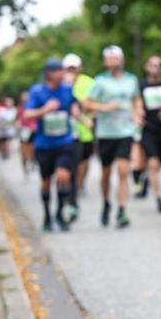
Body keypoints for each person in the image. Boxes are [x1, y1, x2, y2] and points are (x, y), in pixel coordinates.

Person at [86, 45, 142, 228]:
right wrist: (105, 107)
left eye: (115, 58)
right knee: (106, 173)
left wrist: (138, 113)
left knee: (123, 171)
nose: (112, 61)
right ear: (105, 62)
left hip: (125, 131)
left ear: (121, 60)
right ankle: (106, 203)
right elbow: (87, 105)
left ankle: (121, 210)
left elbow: (136, 99)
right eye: (108, 58)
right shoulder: (100, 81)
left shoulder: (131, 79)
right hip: (105, 132)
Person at [24, 58, 80, 232]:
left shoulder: (67, 90)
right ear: (49, 73)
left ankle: (60, 213)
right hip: (44, 143)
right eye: (58, 71)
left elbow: (74, 106)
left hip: (64, 141)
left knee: (63, 176)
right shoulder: (37, 91)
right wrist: (44, 110)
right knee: (46, 181)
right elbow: (27, 114)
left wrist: (78, 112)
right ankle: (47, 216)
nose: (62, 74)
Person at [139, 54, 161, 213]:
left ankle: (147, 177)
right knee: (153, 162)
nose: (155, 68)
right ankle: (159, 198)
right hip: (148, 129)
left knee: (159, 161)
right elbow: (136, 102)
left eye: (158, 65)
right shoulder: (141, 85)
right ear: (146, 67)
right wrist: (138, 114)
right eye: (151, 65)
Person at [63, 53, 96, 221]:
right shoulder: (60, 84)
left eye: (74, 69)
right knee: (69, 168)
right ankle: (72, 195)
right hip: (65, 135)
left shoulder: (88, 82)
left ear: (79, 68)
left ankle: (78, 186)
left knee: (83, 162)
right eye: (68, 69)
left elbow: (92, 104)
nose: (71, 72)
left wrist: (85, 109)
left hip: (84, 132)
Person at [16, 90, 37, 176]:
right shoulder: (20, 108)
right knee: (23, 151)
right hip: (24, 131)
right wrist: (18, 126)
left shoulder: (33, 107)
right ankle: (25, 168)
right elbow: (17, 120)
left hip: (32, 130)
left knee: (33, 149)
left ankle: (32, 161)